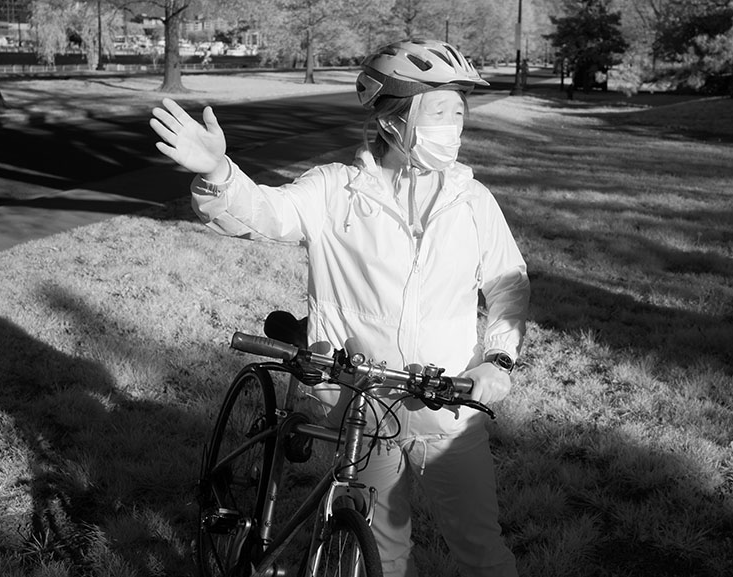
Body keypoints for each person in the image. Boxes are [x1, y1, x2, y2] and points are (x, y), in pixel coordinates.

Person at [150, 38, 529, 577]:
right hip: (363, 403)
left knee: (481, 549)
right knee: (381, 553)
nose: (454, 127)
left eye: (458, 114)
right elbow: (266, 213)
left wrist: (499, 359)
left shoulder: (473, 201)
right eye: (439, 112)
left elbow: (508, 284)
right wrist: (220, 174)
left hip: (449, 406)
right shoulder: (335, 190)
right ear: (393, 120)